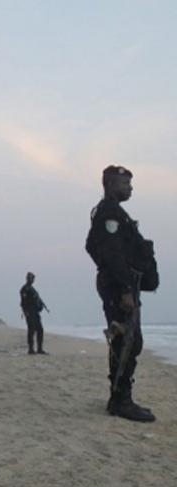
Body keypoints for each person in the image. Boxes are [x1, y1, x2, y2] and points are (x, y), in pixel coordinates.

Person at [86, 165, 159, 422]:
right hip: (120, 287)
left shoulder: (112, 212)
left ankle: (119, 397)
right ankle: (120, 401)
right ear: (109, 184)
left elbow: (91, 246)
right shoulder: (109, 212)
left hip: (120, 284)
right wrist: (125, 288)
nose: (130, 188)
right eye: (125, 184)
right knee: (127, 341)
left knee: (127, 340)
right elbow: (111, 252)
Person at [19, 272, 48, 354]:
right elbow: (23, 302)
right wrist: (26, 312)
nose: (32, 280)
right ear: (28, 278)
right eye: (31, 278)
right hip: (30, 312)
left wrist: (40, 306)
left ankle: (39, 349)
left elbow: (37, 300)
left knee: (40, 330)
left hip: (35, 312)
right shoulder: (24, 289)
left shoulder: (32, 288)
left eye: (33, 278)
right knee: (31, 330)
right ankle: (31, 349)